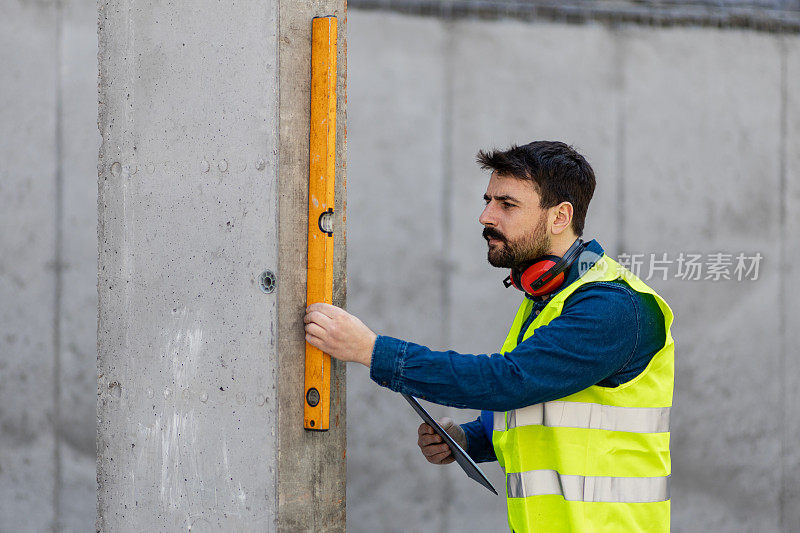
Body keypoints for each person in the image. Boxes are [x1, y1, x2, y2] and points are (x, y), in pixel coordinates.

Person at [304, 141, 674, 533]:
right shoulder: (550, 297)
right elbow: (544, 406)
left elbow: (508, 382)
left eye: (507, 205)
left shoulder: (613, 308)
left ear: (560, 216)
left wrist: (372, 351)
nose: (485, 216)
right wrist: (470, 439)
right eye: (487, 200)